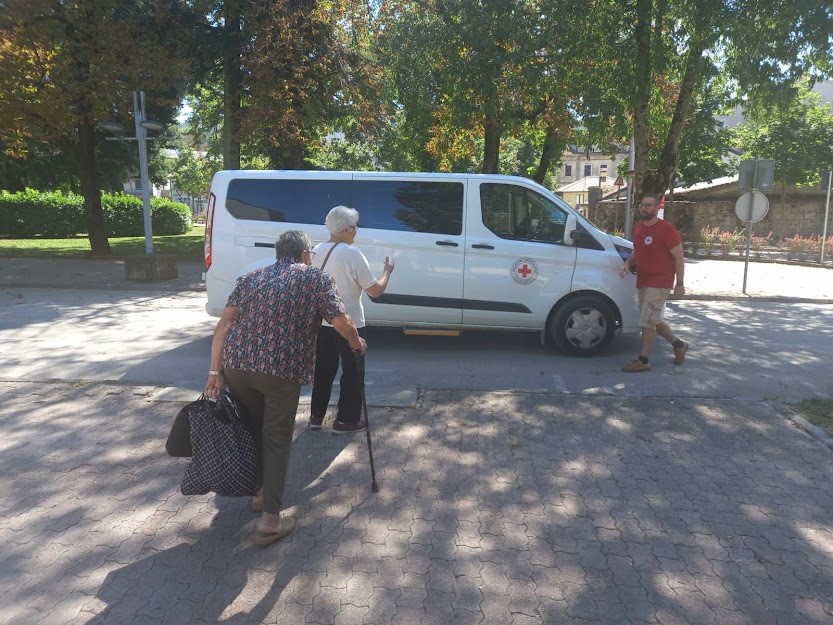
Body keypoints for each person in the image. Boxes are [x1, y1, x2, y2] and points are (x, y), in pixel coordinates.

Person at [204, 230, 366, 546]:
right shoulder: (315, 279)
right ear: (306, 254)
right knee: (276, 439)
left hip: (237, 366)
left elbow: (223, 324)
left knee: (252, 432)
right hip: (280, 370)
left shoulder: (251, 278)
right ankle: (270, 520)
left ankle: (260, 494)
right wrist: (355, 341)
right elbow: (341, 320)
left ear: (279, 254)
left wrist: (214, 371)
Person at [309, 205, 395, 434]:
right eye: (355, 227)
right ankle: (346, 420)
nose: (356, 231)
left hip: (323, 321)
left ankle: (316, 416)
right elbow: (374, 291)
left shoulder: (315, 250)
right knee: (352, 371)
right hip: (350, 323)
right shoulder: (351, 253)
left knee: (323, 369)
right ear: (347, 229)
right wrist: (387, 272)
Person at [618, 194, 689, 372]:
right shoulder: (639, 228)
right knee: (653, 319)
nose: (644, 208)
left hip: (660, 281)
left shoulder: (667, 229)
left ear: (657, 208)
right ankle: (679, 345)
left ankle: (643, 360)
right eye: (642, 205)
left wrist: (680, 283)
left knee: (647, 322)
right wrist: (627, 263)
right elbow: (637, 251)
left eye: (649, 205)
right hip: (643, 280)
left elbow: (679, 258)